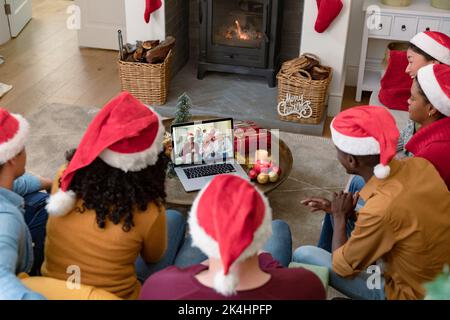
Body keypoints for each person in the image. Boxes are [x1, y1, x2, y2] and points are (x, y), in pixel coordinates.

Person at [293, 106, 450, 300]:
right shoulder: (419, 165)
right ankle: (329, 252)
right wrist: (344, 213)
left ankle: (325, 261)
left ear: (351, 161)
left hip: (412, 292)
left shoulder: (381, 210)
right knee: (349, 196)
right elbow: (399, 222)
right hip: (438, 272)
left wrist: (340, 216)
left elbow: (342, 268)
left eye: (337, 150)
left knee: (305, 255)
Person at [42, 92, 185, 300]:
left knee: (172, 221)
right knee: (177, 220)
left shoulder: (65, 176)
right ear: (151, 159)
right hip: (115, 295)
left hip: (53, 290)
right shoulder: (149, 209)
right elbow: (153, 257)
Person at [139, 175, 326, 300]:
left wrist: (203, 265)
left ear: (198, 234)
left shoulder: (158, 287)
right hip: (258, 261)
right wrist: (264, 256)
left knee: (172, 217)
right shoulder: (307, 286)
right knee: (280, 227)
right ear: (262, 232)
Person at [0, 108, 45, 299]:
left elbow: (18, 184)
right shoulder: (6, 219)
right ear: (11, 158)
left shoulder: (8, 181)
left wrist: (51, 183)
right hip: (19, 276)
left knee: (39, 200)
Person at [405, 64, 450, 189]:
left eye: (413, 98)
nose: (408, 101)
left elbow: (409, 196)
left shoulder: (432, 153)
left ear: (431, 108)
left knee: (357, 181)